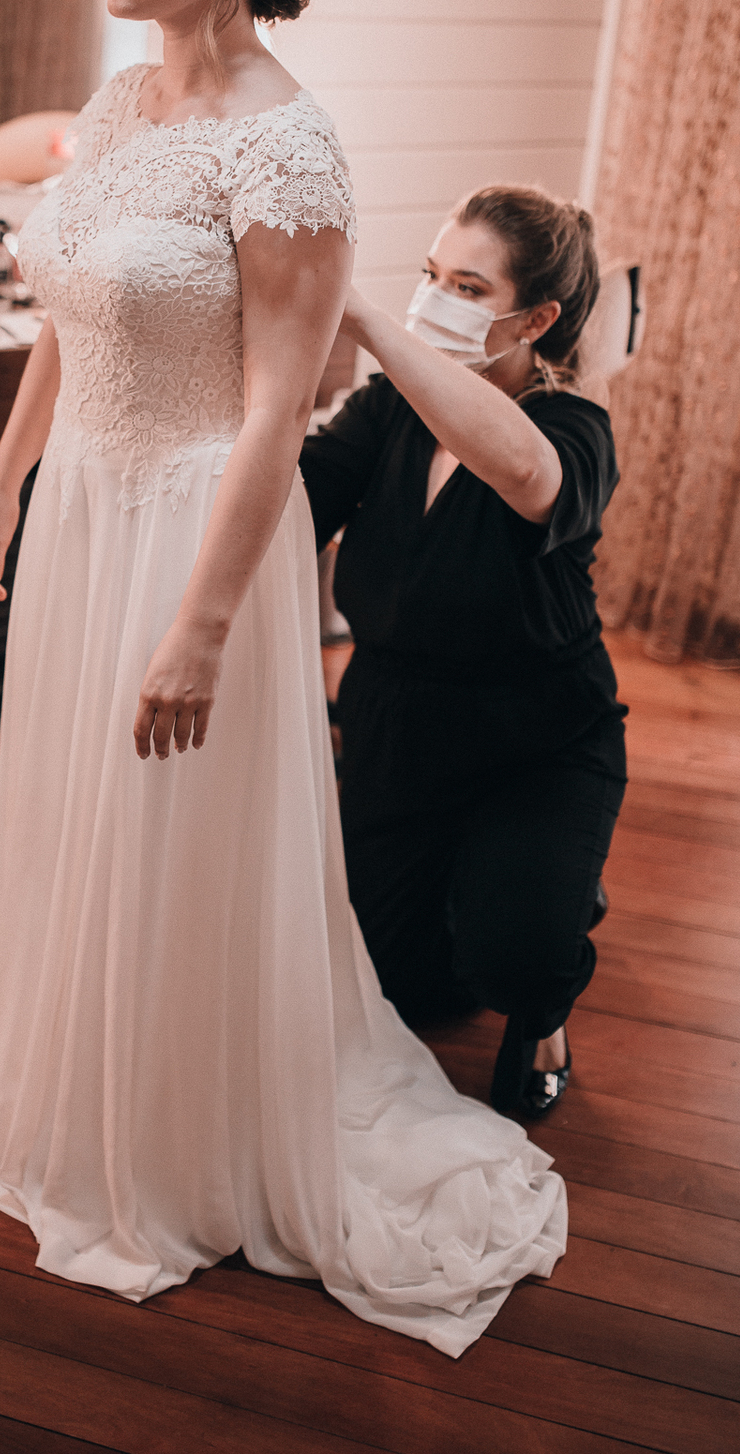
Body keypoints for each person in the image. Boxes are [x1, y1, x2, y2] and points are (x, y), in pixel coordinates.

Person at [0, 0, 566, 1358]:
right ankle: (81, 1086)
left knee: (172, 831)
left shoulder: (293, 147)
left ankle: (178, 1132)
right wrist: (3, 489)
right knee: (84, 811)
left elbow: (283, 408)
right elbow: (70, 321)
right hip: (85, 511)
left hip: (196, 530)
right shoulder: (114, 105)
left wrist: (205, 630)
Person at [300, 188, 627, 1118]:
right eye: (431, 276)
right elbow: (291, 501)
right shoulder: (385, 412)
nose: (436, 299)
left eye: (468, 286)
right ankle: (528, 890)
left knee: (511, 962)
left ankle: (551, 967)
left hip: (538, 740)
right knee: (415, 989)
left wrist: (359, 312)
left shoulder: (575, 431)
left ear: (537, 318)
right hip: (397, 726)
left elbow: (523, 475)